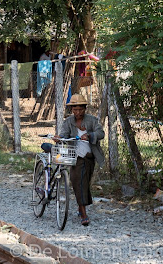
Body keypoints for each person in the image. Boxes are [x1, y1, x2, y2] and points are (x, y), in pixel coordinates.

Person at [55, 94, 105, 226]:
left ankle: (80, 206)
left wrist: (89, 135)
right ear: (71, 110)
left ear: (85, 109)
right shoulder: (68, 122)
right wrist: (59, 138)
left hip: (89, 157)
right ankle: (83, 213)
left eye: (80, 109)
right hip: (76, 158)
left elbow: (101, 134)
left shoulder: (92, 121)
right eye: (75, 110)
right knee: (78, 183)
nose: (78, 112)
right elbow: (64, 135)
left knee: (85, 183)